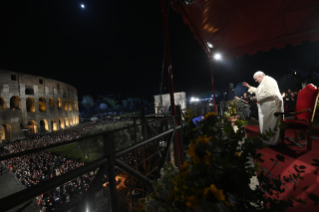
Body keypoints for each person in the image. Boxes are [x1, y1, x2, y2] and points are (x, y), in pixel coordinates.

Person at [243, 71, 284, 146]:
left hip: (271, 108)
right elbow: (259, 90)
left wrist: (256, 98)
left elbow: (270, 94)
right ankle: (266, 139)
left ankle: (271, 142)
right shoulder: (264, 82)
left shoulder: (268, 81)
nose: (256, 81)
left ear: (260, 76)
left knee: (270, 124)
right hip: (267, 108)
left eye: (256, 79)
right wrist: (249, 87)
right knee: (266, 124)